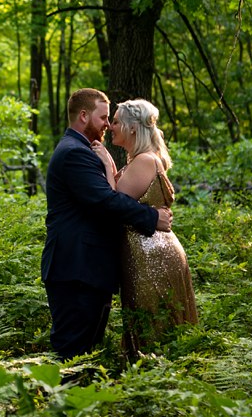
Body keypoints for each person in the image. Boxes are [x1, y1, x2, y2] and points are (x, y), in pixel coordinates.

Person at [41, 88, 173, 360]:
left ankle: (77, 400)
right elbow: (105, 202)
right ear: (83, 115)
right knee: (72, 353)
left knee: (85, 353)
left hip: (88, 270)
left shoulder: (81, 150)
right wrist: (152, 218)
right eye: (103, 118)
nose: (107, 125)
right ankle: (62, 401)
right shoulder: (74, 153)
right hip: (76, 269)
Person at [98, 98, 198, 359]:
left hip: (151, 255)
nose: (110, 126)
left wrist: (108, 166)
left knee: (153, 323)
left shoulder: (143, 160)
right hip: (145, 251)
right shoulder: (140, 159)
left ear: (133, 128)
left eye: (117, 121)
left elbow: (114, 201)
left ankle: (158, 381)